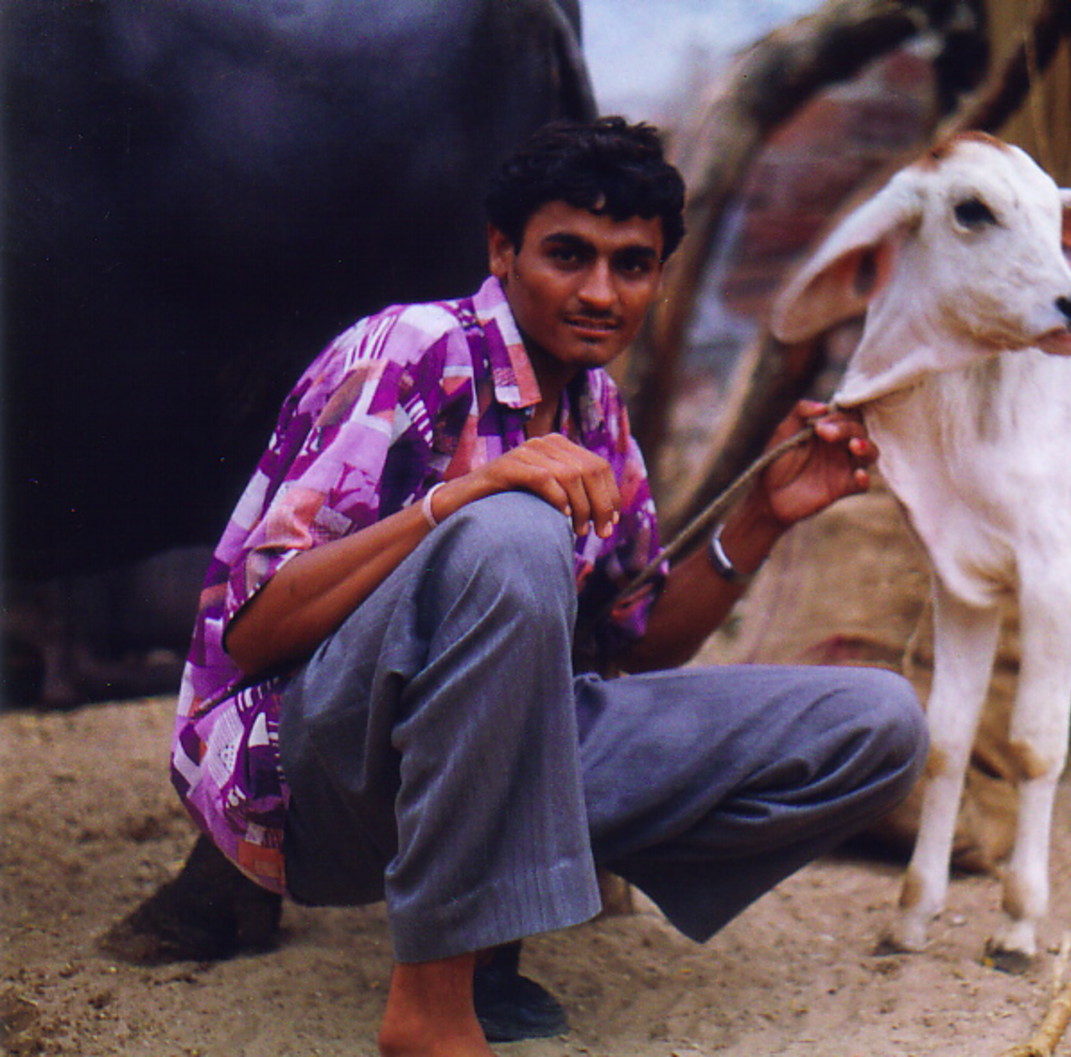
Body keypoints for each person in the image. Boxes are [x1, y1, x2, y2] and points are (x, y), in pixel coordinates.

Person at [169, 117, 927, 1057]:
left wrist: (763, 516)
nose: (602, 292)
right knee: (514, 524)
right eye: (569, 255)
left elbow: (633, 644)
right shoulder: (413, 348)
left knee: (877, 725)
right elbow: (253, 631)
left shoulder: (597, 409)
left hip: (477, 779)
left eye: (634, 264)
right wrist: (463, 496)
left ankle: (506, 879)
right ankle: (436, 1000)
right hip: (304, 771)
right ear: (503, 249)